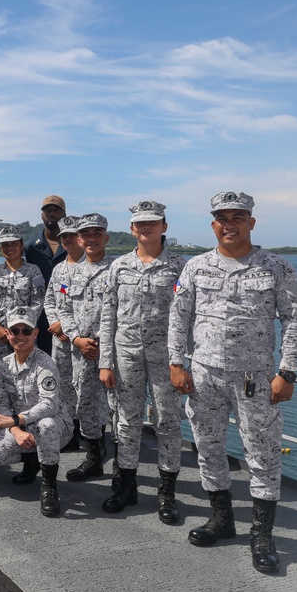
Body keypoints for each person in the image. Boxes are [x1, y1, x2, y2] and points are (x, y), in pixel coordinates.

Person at [168, 191, 297, 574]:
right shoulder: (196, 267)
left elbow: (293, 320)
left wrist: (288, 371)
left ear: (251, 222)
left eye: (237, 217)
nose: (229, 223)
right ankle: (222, 519)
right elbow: (179, 318)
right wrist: (176, 363)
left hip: (256, 380)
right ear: (213, 224)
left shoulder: (276, 266)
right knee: (209, 447)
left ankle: (261, 536)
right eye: (222, 217)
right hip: (204, 376)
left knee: (262, 455)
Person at [99, 201, 186, 522]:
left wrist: (182, 360)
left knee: (167, 422)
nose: (146, 228)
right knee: (127, 421)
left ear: (164, 226)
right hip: (126, 355)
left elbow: (187, 317)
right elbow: (108, 317)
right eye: (140, 223)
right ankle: (126, 486)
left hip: (166, 358)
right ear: (132, 229)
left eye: (153, 222)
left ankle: (167, 492)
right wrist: (105, 362)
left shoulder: (179, 266)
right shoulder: (119, 266)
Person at [0, 307, 72, 517]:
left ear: (35, 334)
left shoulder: (45, 363)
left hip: (55, 426)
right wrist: (16, 430)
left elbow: (49, 405)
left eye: (26, 331)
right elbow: (1, 404)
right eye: (15, 331)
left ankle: (49, 486)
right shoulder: (3, 365)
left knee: (45, 425)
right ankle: (31, 462)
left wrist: (16, 420)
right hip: (19, 425)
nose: (20, 336)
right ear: (8, 334)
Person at [58, 213, 114, 483]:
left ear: (106, 237)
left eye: (97, 234)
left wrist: (101, 342)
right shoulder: (71, 273)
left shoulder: (118, 270)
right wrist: (77, 338)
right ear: (79, 240)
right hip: (80, 351)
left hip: (110, 351)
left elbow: (122, 312)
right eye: (86, 235)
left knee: (118, 406)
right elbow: (63, 308)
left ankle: (125, 468)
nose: (91, 239)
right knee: (87, 404)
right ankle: (94, 459)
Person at [43, 215, 84, 451]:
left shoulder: (91, 267)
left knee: (85, 388)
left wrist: (67, 326)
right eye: (64, 236)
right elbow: (50, 300)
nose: (67, 239)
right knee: (65, 386)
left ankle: (91, 436)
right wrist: (55, 322)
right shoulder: (58, 269)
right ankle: (70, 433)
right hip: (60, 340)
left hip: (81, 342)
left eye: (71, 235)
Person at [0, 224, 46, 368]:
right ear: (0, 248)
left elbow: (38, 301)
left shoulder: (33, 271)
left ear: (21, 245)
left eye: (14, 244)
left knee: (27, 375)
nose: (10, 248)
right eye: (5, 244)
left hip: (24, 336)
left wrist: (21, 328)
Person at [24, 195, 69, 354]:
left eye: (56, 210)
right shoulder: (31, 246)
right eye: (47, 210)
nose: (52, 214)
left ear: (64, 214)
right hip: (41, 315)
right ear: (42, 215)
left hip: (69, 311)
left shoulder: (73, 243)